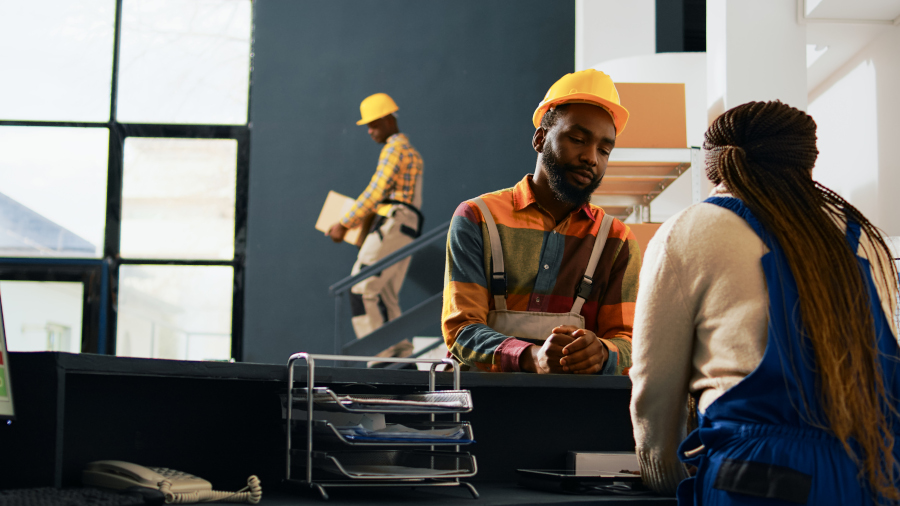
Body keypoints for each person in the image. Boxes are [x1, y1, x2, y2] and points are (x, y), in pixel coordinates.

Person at [629, 101, 900, 504]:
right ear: (806, 161)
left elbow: (655, 386)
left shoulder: (691, 228)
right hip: (868, 474)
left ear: (714, 166)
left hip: (757, 478)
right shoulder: (863, 238)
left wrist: (663, 475)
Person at [441, 69, 641, 374]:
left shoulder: (617, 239)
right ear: (540, 138)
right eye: (578, 139)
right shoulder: (478, 217)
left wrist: (602, 352)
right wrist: (532, 357)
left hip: (574, 402)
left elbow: (629, 341)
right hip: (481, 400)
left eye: (604, 150)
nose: (592, 158)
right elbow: (461, 329)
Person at [328, 93, 424, 346]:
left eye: (373, 124)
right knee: (385, 296)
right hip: (407, 227)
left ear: (388, 119)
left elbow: (376, 191)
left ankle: (380, 357)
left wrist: (344, 223)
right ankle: (402, 356)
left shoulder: (394, 149)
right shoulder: (411, 151)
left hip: (394, 222)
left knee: (360, 289)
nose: (370, 131)